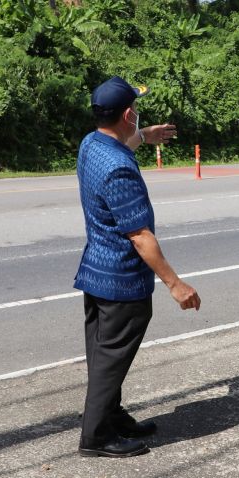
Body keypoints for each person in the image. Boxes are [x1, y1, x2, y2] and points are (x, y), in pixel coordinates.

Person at [74, 76, 201, 458]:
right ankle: (96, 437)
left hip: (96, 272)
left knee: (102, 355)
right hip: (122, 282)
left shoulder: (91, 144)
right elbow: (140, 236)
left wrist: (143, 135)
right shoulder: (119, 169)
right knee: (111, 360)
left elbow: (121, 141)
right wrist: (175, 284)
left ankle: (111, 416)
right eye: (136, 110)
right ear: (127, 113)